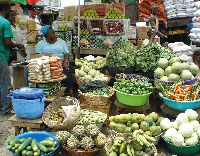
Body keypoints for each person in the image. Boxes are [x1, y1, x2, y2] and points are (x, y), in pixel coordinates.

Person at [0, 1, 25, 115]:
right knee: (5, 84)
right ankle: (6, 108)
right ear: (5, 9)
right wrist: (18, 45)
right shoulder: (5, 23)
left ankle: (2, 105)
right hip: (2, 56)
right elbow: (8, 42)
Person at [35, 25, 74, 97]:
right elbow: (38, 56)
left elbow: (66, 53)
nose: (53, 34)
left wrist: (65, 62)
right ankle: (43, 95)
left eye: (53, 32)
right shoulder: (40, 44)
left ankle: (72, 95)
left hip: (59, 65)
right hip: (46, 65)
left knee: (68, 76)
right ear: (46, 34)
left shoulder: (61, 42)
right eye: (51, 33)